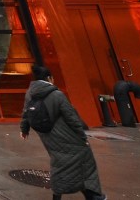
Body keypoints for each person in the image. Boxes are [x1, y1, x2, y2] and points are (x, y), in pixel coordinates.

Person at [20, 65, 107, 200]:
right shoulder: (57, 95)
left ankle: (70, 195)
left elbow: (26, 113)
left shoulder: (30, 94)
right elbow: (72, 118)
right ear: (49, 78)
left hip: (49, 138)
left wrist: (24, 129)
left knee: (61, 163)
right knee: (85, 161)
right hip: (67, 136)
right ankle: (94, 196)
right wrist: (82, 136)